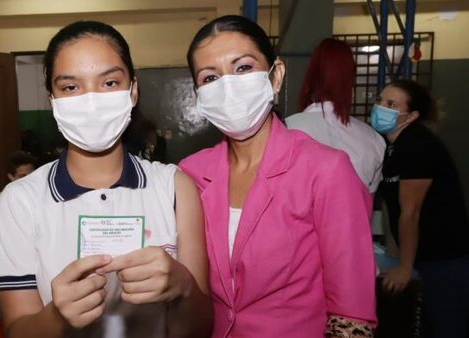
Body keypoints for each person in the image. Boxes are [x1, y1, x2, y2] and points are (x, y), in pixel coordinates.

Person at [0, 21, 212, 338]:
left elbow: (199, 329)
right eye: (70, 87)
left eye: (108, 83)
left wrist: (183, 286)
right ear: (52, 100)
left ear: (132, 91)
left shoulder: (174, 187)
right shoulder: (20, 200)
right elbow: (16, 329)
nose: (91, 101)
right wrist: (56, 318)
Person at [179, 15, 377, 337]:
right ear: (198, 94)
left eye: (243, 68)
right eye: (210, 78)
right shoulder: (190, 174)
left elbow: (351, 315)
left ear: (276, 75)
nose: (228, 86)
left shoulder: (326, 171)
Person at [372, 79, 469, 338]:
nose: (381, 107)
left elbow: (410, 212)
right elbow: (391, 205)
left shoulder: (418, 145)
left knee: (446, 326)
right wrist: (395, 257)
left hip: (444, 259)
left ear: (411, 115)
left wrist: (404, 268)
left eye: (392, 104)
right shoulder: (392, 148)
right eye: (380, 100)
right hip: (421, 256)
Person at [286, 38, 386, 195]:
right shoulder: (373, 139)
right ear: (350, 80)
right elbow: (366, 206)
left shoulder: (286, 129)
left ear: (311, 75)